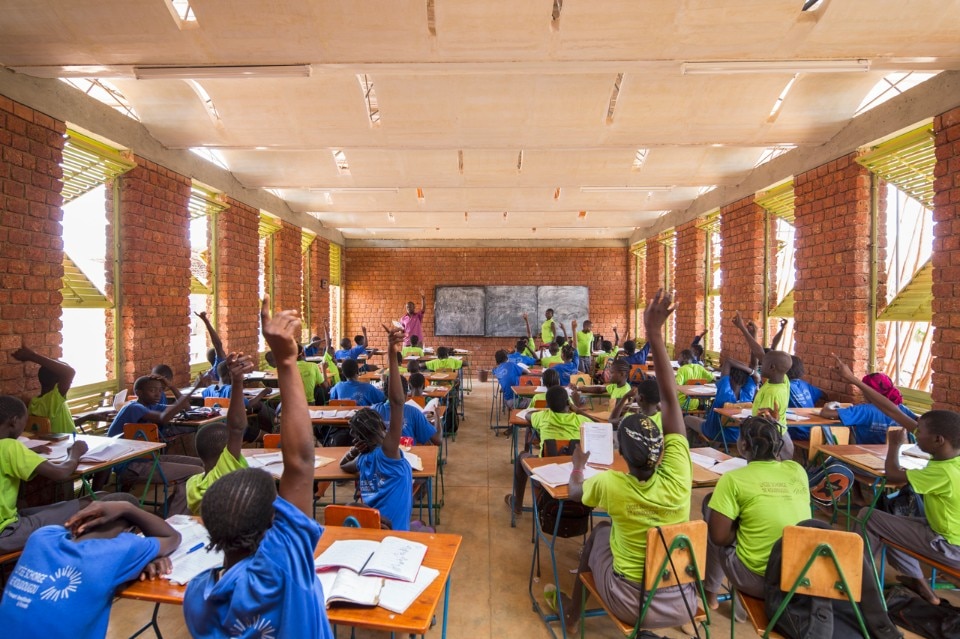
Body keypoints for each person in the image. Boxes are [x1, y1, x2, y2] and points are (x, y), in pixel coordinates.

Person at [184, 296, 334, 638]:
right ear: (274, 521)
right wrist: (286, 360)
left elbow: (298, 465)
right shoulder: (283, 565)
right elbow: (299, 462)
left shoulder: (197, 597)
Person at [562, 290, 698, 631]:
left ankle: (573, 616)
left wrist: (578, 465)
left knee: (599, 534)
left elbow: (576, 493)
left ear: (621, 454)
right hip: (684, 600)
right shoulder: (679, 473)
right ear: (662, 448)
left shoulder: (612, 483)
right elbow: (670, 401)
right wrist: (655, 334)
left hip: (631, 602)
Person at [829, 357, 960, 605]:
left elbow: (893, 475)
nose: (915, 434)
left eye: (919, 433)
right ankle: (917, 582)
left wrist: (895, 446)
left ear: (938, 440)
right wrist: (852, 379)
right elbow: (892, 410)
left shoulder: (943, 472)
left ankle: (855, 580)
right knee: (893, 523)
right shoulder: (949, 453)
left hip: (949, 546)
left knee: (869, 515)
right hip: (945, 534)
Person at [0, 496, 181, 638]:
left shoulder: (41, 537)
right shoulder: (116, 552)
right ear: (128, 532)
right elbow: (172, 537)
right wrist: (128, 508)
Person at [702, 416, 809, 611]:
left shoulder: (732, 479)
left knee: (711, 510)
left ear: (743, 445)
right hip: (801, 578)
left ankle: (711, 593)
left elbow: (719, 538)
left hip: (759, 581)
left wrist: (741, 529)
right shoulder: (797, 471)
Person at [339, 325, 413, 531]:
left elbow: (343, 466)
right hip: (395, 535)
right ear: (382, 426)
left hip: (371, 531)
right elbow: (398, 403)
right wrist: (391, 351)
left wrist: (355, 450)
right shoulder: (388, 453)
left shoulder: (363, 460)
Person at [0, 395, 93, 553]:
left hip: (8, 523)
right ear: (14, 421)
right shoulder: (9, 447)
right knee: (93, 502)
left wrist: (26, 452)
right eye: (25, 421)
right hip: (6, 534)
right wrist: (75, 453)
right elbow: (61, 473)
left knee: (27, 507)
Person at [105, 377, 204, 515]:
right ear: (138, 392)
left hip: (147, 458)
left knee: (202, 464)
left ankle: (170, 509)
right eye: (152, 390)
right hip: (130, 466)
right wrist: (195, 387)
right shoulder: (133, 408)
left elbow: (187, 408)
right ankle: (172, 514)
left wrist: (173, 387)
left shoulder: (151, 406)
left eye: (160, 390)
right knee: (196, 471)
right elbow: (163, 418)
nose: (158, 394)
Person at [504, 385, 601, 518]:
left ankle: (517, 505)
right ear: (568, 403)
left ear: (548, 405)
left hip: (545, 475)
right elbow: (599, 424)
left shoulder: (543, 417)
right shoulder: (581, 420)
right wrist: (578, 410)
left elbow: (527, 415)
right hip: (576, 475)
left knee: (522, 456)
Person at [187, 353, 253, 515]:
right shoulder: (226, 471)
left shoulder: (192, 485)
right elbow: (236, 428)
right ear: (226, 452)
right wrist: (238, 382)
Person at [732, 311, 794, 461]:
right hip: (781, 434)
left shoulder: (772, 393)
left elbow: (764, 424)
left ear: (772, 367)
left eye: (763, 363)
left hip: (772, 441)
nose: (760, 363)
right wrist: (743, 329)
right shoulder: (783, 379)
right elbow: (760, 353)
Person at [821, 367, 916, 444]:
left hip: (862, 456)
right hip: (895, 458)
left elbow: (826, 413)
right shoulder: (903, 410)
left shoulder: (864, 410)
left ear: (869, 392)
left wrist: (829, 405)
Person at [685, 360, 758, 444]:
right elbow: (755, 374)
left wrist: (750, 370)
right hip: (738, 436)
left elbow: (728, 362)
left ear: (729, 377)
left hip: (714, 432)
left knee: (687, 419)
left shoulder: (725, 390)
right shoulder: (748, 393)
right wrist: (752, 371)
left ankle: (692, 447)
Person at [12, 345, 76, 434]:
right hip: (67, 444)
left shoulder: (34, 403)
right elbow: (69, 372)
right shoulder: (53, 400)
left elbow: (62, 425)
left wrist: (87, 417)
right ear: (57, 382)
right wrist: (32, 356)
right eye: (67, 381)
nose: (70, 383)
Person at [785, 355, 827, 440]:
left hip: (797, 431)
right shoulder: (804, 384)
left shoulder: (784, 387)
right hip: (814, 430)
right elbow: (824, 395)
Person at [196, 311, 227, 383]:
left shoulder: (208, 374)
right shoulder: (218, 368)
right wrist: (206, 321)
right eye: (223, 353)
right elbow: (218, 345)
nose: (225, 355)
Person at [552, 321, 581, 386]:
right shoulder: (575, 365)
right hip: (573, 390)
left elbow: (547, 372)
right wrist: (574, 329)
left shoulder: (558, 367)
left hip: (562, 392)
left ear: (562, 355)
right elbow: (575, 346)